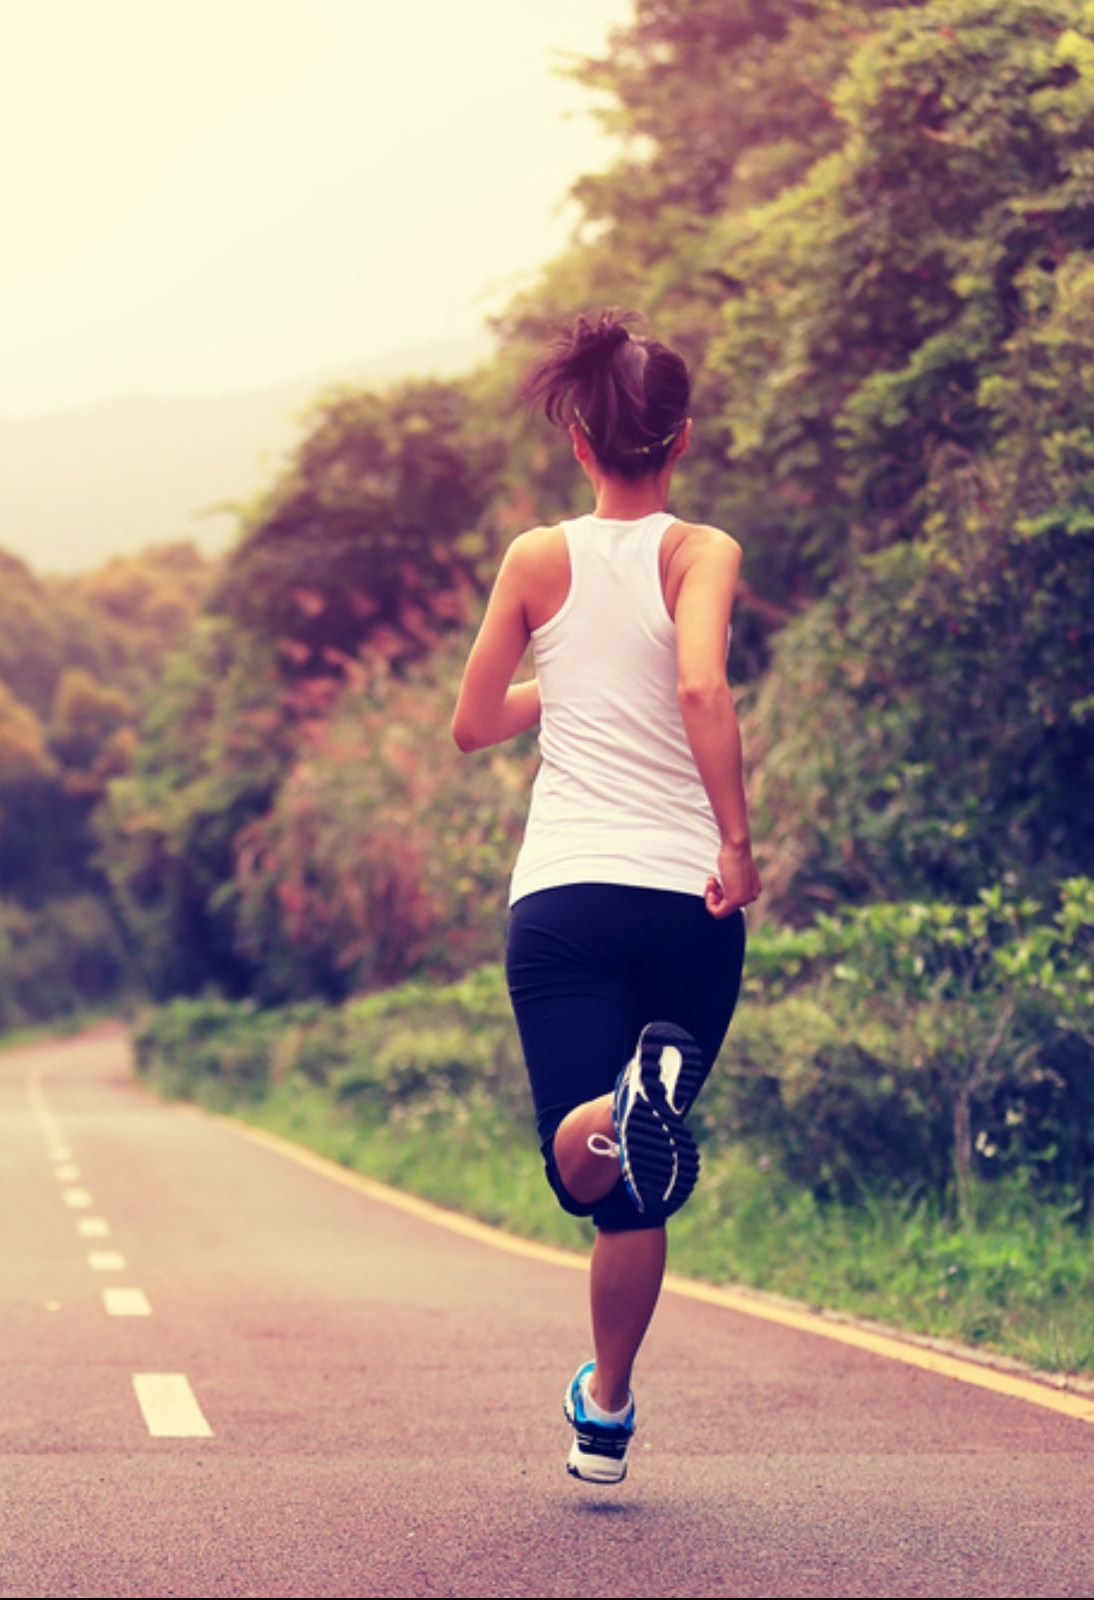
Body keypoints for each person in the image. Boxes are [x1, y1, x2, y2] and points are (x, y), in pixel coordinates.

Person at [450, 308, 760, 1486]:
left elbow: (472, 724)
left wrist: (561, 679)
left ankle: (610, 1402)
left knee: (590, 1166)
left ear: (580, 443)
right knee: (644, 1171)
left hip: (567, 896)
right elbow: (699, 685)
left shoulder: (536, 559)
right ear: (679, 438)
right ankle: (609, 1401)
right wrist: (737, 843)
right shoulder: (704, 551)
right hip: (688, 897)